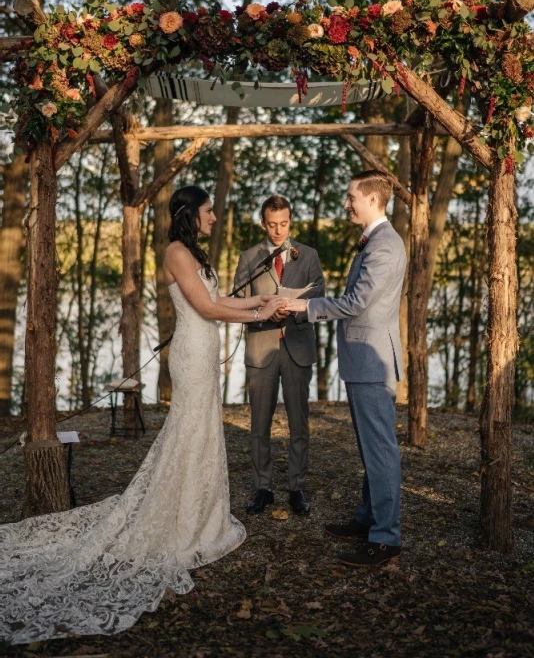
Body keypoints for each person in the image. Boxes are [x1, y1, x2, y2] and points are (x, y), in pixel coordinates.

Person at [0, 185, 283, 645]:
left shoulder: (194, 253)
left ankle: (203, 514)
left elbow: (222, 303)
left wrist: (261, 304)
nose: (215, 218)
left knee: (204, 433)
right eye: (209, 212)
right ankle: (183, 522)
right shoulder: (175, 253)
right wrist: (256, 313)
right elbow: (207, 307)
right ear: (192, 213)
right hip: (191, 355)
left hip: (205, 350)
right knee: (189, 433)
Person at [283, 171, 406, 566]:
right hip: (364, 360)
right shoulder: (376, 241)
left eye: (352, 196)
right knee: (371, 450)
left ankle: (386, 538)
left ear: (372, 198)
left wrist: (306, 306)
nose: (346, 202)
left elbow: (356, 303)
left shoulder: (384, 245)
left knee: (381, 452)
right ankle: (368, 519)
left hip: (372, 362)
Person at [233, 195, 325, 516]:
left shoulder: (309, 256)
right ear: (263, 222)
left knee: (299, 423)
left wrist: (293, 311)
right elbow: (239, 301)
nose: (278, 230)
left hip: (298, 347)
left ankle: (296, 487)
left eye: (283, 224)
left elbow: (319, 298)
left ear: (290, 220)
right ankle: (263, 487)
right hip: (262, 347)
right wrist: (264, 313)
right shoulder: (248, 257)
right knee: (259, 423)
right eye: (272, 224)